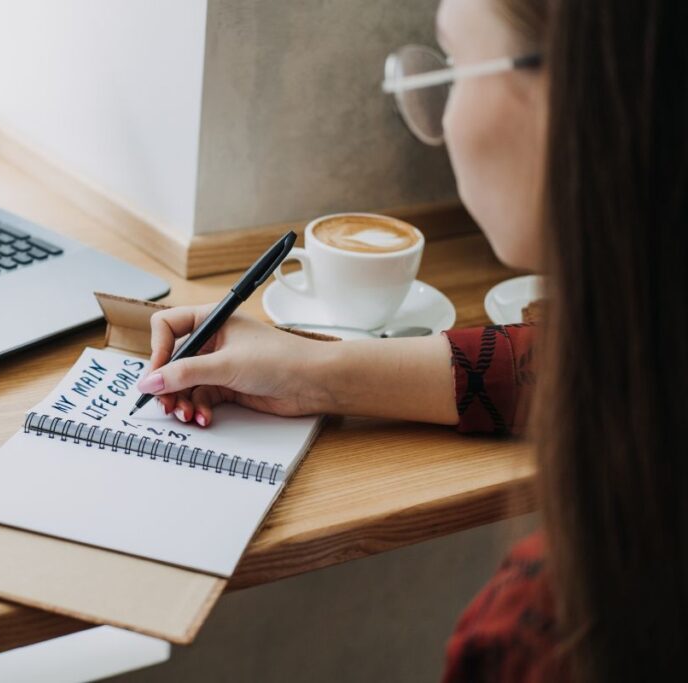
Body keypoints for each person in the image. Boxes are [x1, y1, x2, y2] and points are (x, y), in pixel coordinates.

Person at [138, 0, 688, 680]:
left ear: (577, 96)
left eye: (454, 66)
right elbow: (549, 362)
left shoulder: (555, 634)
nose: (445, 119)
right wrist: (316, 370)